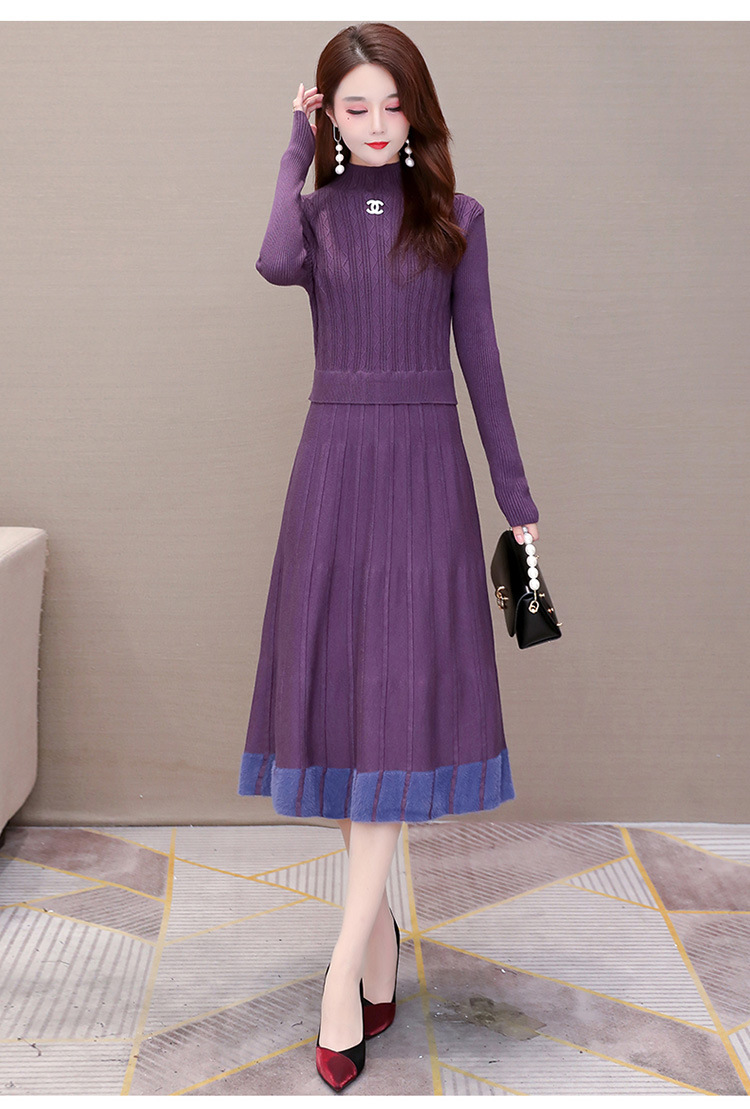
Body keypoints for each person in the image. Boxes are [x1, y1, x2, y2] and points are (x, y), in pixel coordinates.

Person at [238, 22, 541, 1092]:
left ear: (418, 110)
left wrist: (517, 503)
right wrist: (294, 149)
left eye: (391, 103)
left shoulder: (459, 219)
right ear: (330, 112)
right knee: (347, 712)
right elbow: (273, 262)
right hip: (332, 473)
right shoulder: (315, 214)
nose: (375, 123)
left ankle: (346, 976)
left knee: (393, 711)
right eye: (352, 106)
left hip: (422, 478)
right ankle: (377, 943)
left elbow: (483, 364)